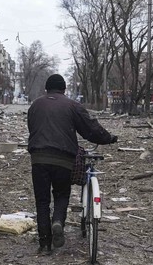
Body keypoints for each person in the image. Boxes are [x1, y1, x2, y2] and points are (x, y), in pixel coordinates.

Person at [27, 74, 117, 255]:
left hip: (38, 158)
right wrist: (108, 138)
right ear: (64, 89)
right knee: (61, 194)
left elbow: (32, 127)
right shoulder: (72, 106)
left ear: (47, 88)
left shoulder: (35, 105)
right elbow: (90, 129)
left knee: (42, 200)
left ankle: (45, 244)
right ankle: (58, 221)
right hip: (63, 159)